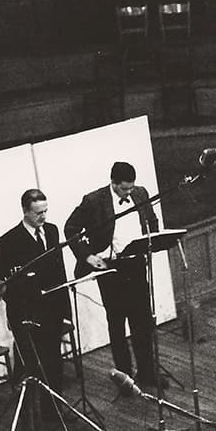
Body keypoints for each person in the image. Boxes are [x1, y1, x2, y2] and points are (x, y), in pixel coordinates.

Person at [64, 161, 161, 388]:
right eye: (124, 189)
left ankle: (147, 372)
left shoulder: (141, 193)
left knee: (142, 320)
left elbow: (151, 220)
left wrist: (150, 241)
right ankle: (124, 377)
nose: (129, 192)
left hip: (136, 265)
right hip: (110, 268)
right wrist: (87, 257)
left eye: (131, 188)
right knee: (117, 322)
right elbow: (70, 228)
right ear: (113, 183)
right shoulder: (94, 201)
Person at [0, 189, 73, 419]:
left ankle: (52, 411)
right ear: (25, 211)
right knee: (28, 367)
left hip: (51, 310)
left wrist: (66, 311)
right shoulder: (7, 242)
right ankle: (25, 418)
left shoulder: (53, 231)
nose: (43, 217)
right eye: (38, 213)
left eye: (45, 211)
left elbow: (59, 272)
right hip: (25, 314)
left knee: (54, 362)